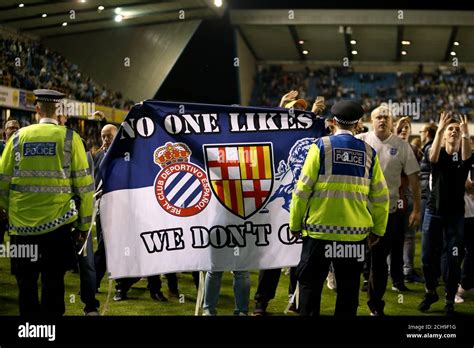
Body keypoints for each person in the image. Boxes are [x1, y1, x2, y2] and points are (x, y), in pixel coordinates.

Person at [289, 100, 389, 316]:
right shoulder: (369, 153)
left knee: (310, 287)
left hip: (319, 233)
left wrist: (295, 223)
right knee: (348, 291)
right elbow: (381, 197)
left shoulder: (320, 147)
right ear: (358, 124)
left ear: (332, 122)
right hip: (353, 236)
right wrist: (378, 230)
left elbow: (301, 190)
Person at [0, 89, 94, 316]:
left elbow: (2, 182)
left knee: (26, 287)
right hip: (58, 229)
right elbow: (85, 188)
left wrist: (6, 211)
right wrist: (83, 227)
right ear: (58, 110)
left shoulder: (17, 138)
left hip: (21, 228)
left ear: (37, 110)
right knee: (53, 286)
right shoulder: (71, 138)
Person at [253, 92, 325, 316]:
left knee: (299, 258)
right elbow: (270, 131)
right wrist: (280, 105)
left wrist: (315, 116)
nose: (299, 113)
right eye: (294, 109)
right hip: (278, 208)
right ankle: (261, 304)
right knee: (273, 257)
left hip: (302, 207)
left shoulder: (307, 139)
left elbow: (310, 136)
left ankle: (295, 301)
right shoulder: (277, 135)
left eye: (302, 110)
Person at [356, 106, 421, 316]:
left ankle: (375, 305)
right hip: (357, 210)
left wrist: (416, 208)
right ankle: (348, 303)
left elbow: (413, 179)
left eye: (386, 117)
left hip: (387, 213)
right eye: (378, 117)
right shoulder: (360, 141)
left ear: (392, 122)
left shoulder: (402, 146)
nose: (382, 120)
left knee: (379, 261)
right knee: (351, 259)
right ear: (371, 120)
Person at [418, 113, 473, 315]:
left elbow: (467, 158)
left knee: (453, 259)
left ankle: (449, 299)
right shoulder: (438, 154)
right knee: (426, 257)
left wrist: (465, 133)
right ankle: (430, 292)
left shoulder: (464, 155)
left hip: (455, 217)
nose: (454, 131)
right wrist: (440, 129)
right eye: (451, 129)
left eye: (456, 129)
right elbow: (430, 157)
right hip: (433, 212)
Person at [57, 113, 100, 315]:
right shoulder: (73, 158)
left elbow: (86, 191)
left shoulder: (86, 159)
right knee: (83, 264)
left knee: (83, 264)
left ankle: (89, 304)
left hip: (72, 218)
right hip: (72, 218)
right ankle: (89, 305)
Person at [394, 117, 424, 283]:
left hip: (408, 194)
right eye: (401, 127)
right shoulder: (390, 146)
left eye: (407, 127)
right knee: (391, 235)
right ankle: (394, 269)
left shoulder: (414, 149)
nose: (404, 130)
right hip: (393, 194)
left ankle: (407, 270)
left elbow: (417, 176)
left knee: (409, 235)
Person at [1, 120, 20, 244]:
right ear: (4, 133)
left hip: (15, 201)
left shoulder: (23, 149)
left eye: (16, 128)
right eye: (11, 127)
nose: (13, 130)